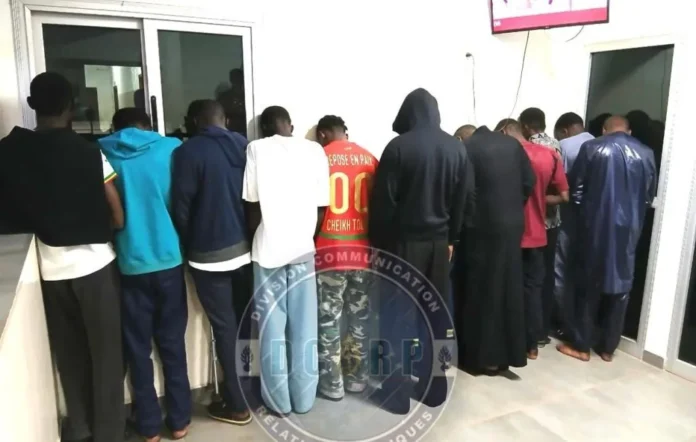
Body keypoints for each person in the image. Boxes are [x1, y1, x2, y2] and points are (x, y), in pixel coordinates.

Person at [0, 72, 125, 442]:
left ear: (32, 105)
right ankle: (109, 434)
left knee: (69, 355)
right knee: (106, 356)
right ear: (71, 106)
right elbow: (116, 213)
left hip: (47, 270)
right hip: (94, 266)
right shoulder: (88, 152)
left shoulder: (9, 152)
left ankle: (80, 427)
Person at [369, 88, 472, 414]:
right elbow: (462, 200)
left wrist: (378, 246)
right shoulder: (456, 148)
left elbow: (384, 205)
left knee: (396, 319)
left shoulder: (398, 147)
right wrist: (452, 239)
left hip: (402, 246)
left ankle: (396, 395)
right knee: (437, 318)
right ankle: (435, 389)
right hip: (440, 247)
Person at [99, 108, 190, 442]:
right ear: (148, 127)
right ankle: (179, 421)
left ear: (115, 128)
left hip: (130, 263)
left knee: (138, 348)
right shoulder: (170, 149)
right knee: (173, 343)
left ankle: (149, 427)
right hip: (168, 259)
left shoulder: (103, 152)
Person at [243, 105, 329, 415]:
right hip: (303, 248)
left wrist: (261, 236)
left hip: (268, 250)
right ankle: (304, 399)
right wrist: (307, 237)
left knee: (272, 328)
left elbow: (251, 203)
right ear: (290, 125)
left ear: (264, 128)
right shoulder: (315, 150)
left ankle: (279, 403)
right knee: (305, 326)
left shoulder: (256, 148)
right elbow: (322, 206)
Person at [171, 99, 252, 424]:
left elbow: (181, 206)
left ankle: (237, 404)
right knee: (244, 323)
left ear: (195, 121)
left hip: (208, 255)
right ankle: (249, 391)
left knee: (225, 327)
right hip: (245, 249)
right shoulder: (244, 145)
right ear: (224, 119)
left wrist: (188, 243)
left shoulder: (188, 152)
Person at [557, 115, 656, 362]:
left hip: (595, 227)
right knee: (621, 288)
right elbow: (648, 196)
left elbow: (576, 192)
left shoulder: (592, 147)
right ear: (629, 132)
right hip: (630, 230)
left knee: (588, 285)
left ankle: (581, 346)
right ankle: (608, 348)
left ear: (603, 129)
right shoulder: (646, 154)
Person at [457, 122, 535, 375]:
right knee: (509, 288)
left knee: (481, 291)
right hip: (512, 225)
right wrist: (511, 207)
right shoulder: (512, 145)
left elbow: (465, 191)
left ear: (461, 138)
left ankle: (483, 359)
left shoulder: (468, 148)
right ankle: (509, 356)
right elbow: (529, 181)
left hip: (481, 228)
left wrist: (466, 221)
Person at [314, 115, 378, 401]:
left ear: (323, 134)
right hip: (363, 252)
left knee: (329, 319)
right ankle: (357, 379)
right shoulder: (369, 158)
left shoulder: (319, 157)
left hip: (330, 252)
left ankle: (332, 384)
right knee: (359, 318)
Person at [496, 119, 569, 360]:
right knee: (533, 290)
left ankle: (509, 344)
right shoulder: (550, 154)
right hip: (538, 233)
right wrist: (539, 199)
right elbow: (564, 196)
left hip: (510, 235)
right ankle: (532, 345)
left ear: (505, 132)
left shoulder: (507, 156)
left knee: (506, 289)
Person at [519, 107, 562, 345]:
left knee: (527, 280)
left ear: (525, 126)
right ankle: (543, 330)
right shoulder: (556, 146)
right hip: (552, 222)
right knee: (545, 278)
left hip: (530, 223)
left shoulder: (525, 149)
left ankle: (527, 333)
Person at [217, 68, 247, 137]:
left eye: (239, 78)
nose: (237, 81)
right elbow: (219, 113)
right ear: (231, 80)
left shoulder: (249, 96)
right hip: (230, 132)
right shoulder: (225, 97)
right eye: (235, 78)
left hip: (248, 130)